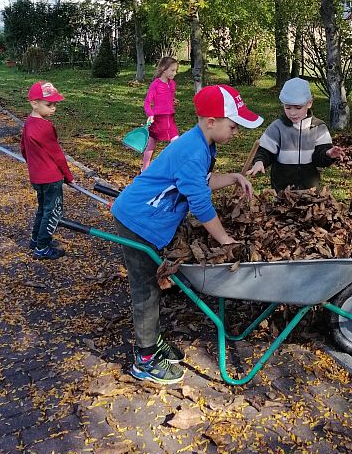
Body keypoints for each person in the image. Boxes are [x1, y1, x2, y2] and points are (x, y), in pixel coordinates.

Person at [111, 83, 263, 385]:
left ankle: (151, 340)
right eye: (233, 126)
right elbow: (201, 205)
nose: (236, 132)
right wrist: (225, 241)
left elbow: (200, 183)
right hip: (138, 222)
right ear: (211, 122)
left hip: (150, 219)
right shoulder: (193, 151)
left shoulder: (203, 144)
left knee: (153, 285)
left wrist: (234, 177)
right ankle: (144, 358)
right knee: (145, 289)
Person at [246, 77, 343, 191]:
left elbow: (319, 158)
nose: (292, 112)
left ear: (309, 103)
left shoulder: (318, 127)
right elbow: (264, 151)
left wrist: (328, 154)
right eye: (288, 107)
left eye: (298, 108)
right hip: (282, 189)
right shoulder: (277, 127)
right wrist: (259, 162)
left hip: (309, 188)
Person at [20, 81, 74, 260]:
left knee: (43, 208)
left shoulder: (28, 122)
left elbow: (23, 149)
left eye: (55, 104)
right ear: (34, 103)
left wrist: (34, 165)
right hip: (51, 178)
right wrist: (68, 176)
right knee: (53, 212)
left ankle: (36, 239)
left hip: (37, 177)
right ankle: (42, 248)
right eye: (49, 104)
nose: (53, 108)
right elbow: (57, 155)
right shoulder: (46, 127)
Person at [141, 56, 179, 171]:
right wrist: (150, 114)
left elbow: (169, 99)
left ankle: (171, 168)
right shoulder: (155, 84)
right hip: (158, 119)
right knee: (151, 145)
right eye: (172, 70)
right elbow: (147, 102)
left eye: (176, 70)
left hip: (170, 118)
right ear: (164, 69)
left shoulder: (172, 84)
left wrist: (173, 102)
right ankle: (144, 169)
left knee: (177, 143)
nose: (175, 73)